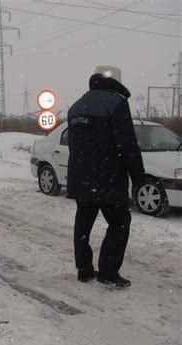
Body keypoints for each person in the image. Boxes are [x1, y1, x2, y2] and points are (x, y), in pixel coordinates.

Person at [67, 65, 145, 288]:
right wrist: (138, 177)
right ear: (117, 82)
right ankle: (108, 272)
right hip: (108, 178)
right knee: (120, 222)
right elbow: (127, 144)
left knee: (83, 221)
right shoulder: (116, 103)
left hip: (81, 177)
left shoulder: (77, 106)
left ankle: (84, 269)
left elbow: (75, 146)